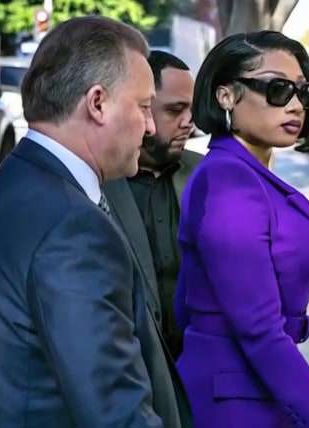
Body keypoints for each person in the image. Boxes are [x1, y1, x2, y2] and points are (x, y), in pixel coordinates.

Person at [0, 16, 191, 428]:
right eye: (143, 107)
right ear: (97, 103)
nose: (150, 127)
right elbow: (115, 412)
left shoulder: (12, 185)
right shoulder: (73, 226)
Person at [174, 30, 309, 428]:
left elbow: (227, 284)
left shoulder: (243, 173)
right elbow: (258, 331)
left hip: (251, 389)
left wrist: (307, 286)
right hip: (234, 401)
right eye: (277, 89)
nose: (295, 105)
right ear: (226, 95)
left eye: (303, 92)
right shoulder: (228, 181)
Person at [104, 50, 201, 359]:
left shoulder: (208, 174)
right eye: (175, 110)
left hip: (199, 363)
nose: (189, 123)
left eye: (192, 110)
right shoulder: (99, 180)